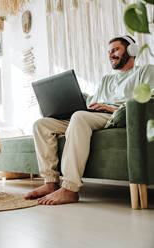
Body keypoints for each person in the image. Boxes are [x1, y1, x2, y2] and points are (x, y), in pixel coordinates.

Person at [25, 35, 154, 205]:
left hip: (115, 115)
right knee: (42, 125)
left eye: (115, 50)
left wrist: (111, 108)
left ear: (132, 50)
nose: (111, 55)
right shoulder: (106, 79)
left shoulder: (145, 71)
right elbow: (91, 104)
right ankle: (50, 182)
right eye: (109, 52)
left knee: (79, 117)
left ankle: (70, 188)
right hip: (93, 115)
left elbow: (148, 98)